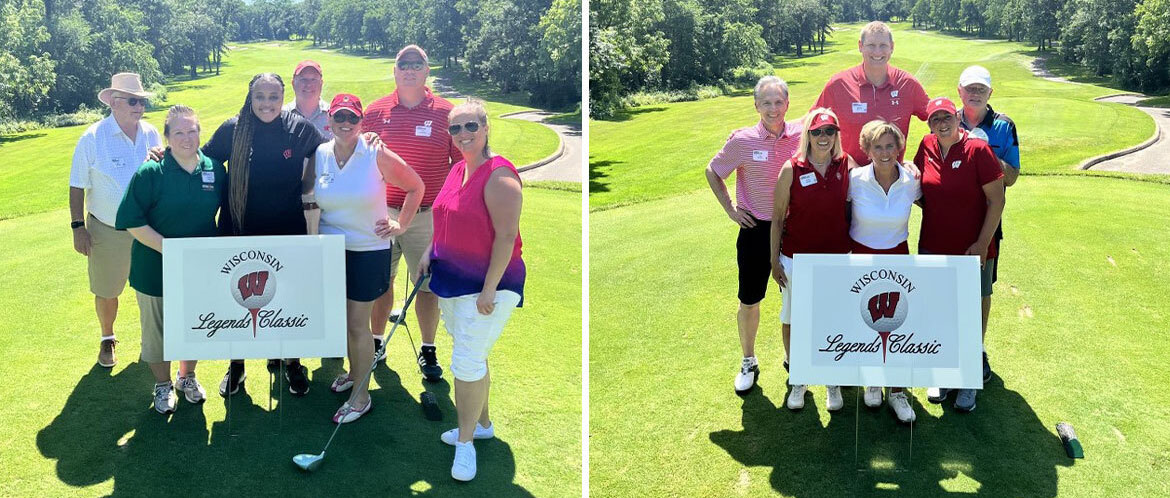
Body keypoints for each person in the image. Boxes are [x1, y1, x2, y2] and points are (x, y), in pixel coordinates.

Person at [157, 73, 326, 397]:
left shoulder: (298, 128)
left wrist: (363, 141)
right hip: (237, 229)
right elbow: (198, 159)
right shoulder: (233, 129)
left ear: (282, 97)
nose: (267, 103)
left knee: (286, 300)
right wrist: (162, 154)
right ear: (250, 98)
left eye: (273, 97)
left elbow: (328, 149)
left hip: (287, 230)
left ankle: (291, 363)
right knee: (237, 301)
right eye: (260, 96)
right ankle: (237, 366)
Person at [418, 98, 525, 481]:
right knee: (473, 354)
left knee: (465, 360)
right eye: (455, 128)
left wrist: (489, 290)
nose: (463, 135)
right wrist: (429, 252)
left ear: (486, 128)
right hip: (452, 281)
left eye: (470, 127)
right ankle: (482, 424)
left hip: (489, 286)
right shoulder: (457, 169)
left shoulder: (500, 176)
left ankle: (466, 445)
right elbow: (443, 217)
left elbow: (507, 236)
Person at [307, 93, 424, 423]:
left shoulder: (374, 151)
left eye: (352, 118)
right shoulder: (321, 153)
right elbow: (311, 194)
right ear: (329, 121)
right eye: (339, 117)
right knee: (345, 322)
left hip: (367, 250)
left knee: (359, 326)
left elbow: (416, 186)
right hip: (332, 250)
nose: (345, 124)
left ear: (362, 122)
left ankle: (361, 397)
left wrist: (401, 223)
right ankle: (354, 374)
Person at [114, 105, 223, 414]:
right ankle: (162, 386)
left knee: (195, 327)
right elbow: (132, 220)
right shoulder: (151, 171)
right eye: (179, 132)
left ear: (200, 132)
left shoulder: (215, 169)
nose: (187, 138)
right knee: (157, 333)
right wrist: (172, 251)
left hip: (199, 269)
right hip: (155, 268)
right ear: (167, 138)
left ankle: (186, 377)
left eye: (192, 131)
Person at [363, 44, 460, 380]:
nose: (409, 70)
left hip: (426, 214)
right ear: (394, 71)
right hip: (382, 214)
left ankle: (428, 348)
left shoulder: (447, 113)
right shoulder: (374, 112)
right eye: (403, 64)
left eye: (416, 64)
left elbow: (460, 167)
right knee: (381, 283)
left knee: (426, 284)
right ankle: (376, 342)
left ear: (426, 70)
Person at [704, 75, 802, 394]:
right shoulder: (743, 140)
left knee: (795, 299)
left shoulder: (801, 135)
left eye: (779, 102)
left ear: (787, 103)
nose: (773, 109)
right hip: (755, 230)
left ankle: (794, 358)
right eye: (766, 103)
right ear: (756, 105)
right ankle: (748, 360)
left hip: (793, 230)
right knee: (750, 300)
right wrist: (732, 210)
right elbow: (713, 171)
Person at [913, 97, 1005, 412]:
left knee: (968, 315)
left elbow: (997, 200)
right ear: (929, 124)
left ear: (956, 117)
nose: (941, 123)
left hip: (972, 249)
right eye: (934, 119)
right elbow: (919, 190)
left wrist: (982, 243)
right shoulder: (925, 145)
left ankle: (968, 381)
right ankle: (943, 373)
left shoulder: (977, 149)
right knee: (938, 313)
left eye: (946, 117)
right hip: (933, 245)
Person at [69, 72, 162, 369]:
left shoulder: (151, 133)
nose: (140, 107)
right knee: (107, 291)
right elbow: (76, 185)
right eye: (133, 101)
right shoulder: (92, 138)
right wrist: (77, 227)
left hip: (148, 228)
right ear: (114, 102)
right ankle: (107, 338)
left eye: (142, 102)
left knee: (150, 290)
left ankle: (152, 341)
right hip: (107, 229)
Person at [769, 108, 852, 412]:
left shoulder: (846, 165)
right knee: (793, 319)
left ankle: (831, 378)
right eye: (817, 132)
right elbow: (777, 219)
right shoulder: (792, 169)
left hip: (836, 260)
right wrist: (774, 262)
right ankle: (799, 377)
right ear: (808, 134)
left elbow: (850, 207)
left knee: (832, 320)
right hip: (796, 258)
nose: (823, 138)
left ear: (836, 135)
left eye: (829, 131)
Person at [848, 120, 921, 423]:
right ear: (867, 149)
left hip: (897, 256)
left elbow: (941, 203)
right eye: (877, 146)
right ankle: (873, 380)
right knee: (866, 321)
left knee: (897, 323)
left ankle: (898, 391)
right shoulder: (855, 179)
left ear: (899, 147)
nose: (884, 152)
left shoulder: (911, 181)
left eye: (890, 146)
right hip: (862, 256)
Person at [956, 65, 1021, 384]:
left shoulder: (1004, 126)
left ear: (990, 93)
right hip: (949, 222)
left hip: (987, 223)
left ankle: (975, 349)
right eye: (970, 88)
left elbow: (1012, 176)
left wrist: (982, 152)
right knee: (948, 289)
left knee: (981, 291)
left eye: (981, 88)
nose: (975, 93)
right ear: (960, 91)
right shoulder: (946, 120)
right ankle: (947, 348)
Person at [812, 21, 930, 166]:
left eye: (883, 46)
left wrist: (926, 159)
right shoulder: (839, 84)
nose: (877, 52)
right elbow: (811, 123)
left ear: (892, 47)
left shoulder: (907, 83)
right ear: (860, 46)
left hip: (892, 180)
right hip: (848, 178)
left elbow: (938, 117)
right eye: (871, 45)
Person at [284, 60, 332, 139]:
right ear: (293, 83)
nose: (309, 84)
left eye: (314, 79)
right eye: (303, 79)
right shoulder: (282, 116)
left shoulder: (335, 115)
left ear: (321, 83)